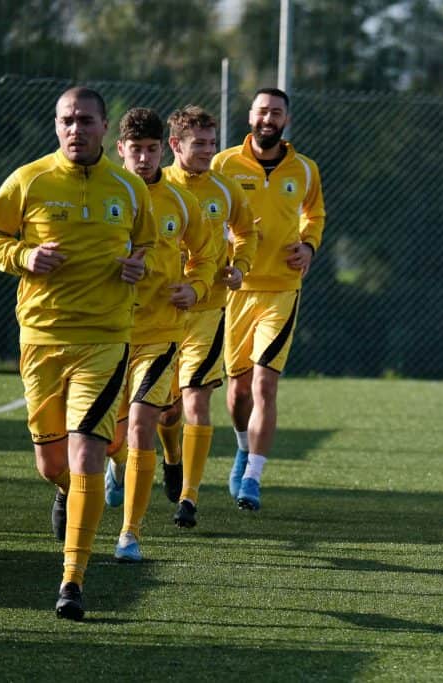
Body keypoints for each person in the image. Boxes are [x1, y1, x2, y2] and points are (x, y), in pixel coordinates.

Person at [0, 87, 156, 619]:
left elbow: (144, 243)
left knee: (86, 455)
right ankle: (68, 489)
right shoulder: (29, 179)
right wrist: (24, 254)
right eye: (66, 121)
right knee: (53, 463)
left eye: (86, 121)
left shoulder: (128, 187)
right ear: (57, 126)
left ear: (105, 128)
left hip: (104, 338)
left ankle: (72, 579)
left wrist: (136, 265)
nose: (76, 130)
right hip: (42, 339)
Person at [106, 107, 216, 561]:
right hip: (107, 332)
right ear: (120, 151)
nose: (145, 159)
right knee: (110, 440)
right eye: (137, 150)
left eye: (153, 150)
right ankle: (111, 468)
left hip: (161, 333)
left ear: (162, 150)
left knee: (142, 424)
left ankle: (129, 533)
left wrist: (196, 286)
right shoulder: (104, 196)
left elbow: (207, 255)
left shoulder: (179, 200)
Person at [212, 88, 326, 511]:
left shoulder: (305, 169)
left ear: (286, 121)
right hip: (235, 289)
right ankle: (243, 447)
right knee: (237, 392)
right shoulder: (222, 164)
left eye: (276, 112)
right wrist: (224, 236)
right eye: (262, 111)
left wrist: (309, 246)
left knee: (264, 383)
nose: (268, 118)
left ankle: (253, 478)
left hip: (281, 289)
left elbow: (314, 215)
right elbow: (206, 208)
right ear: (249, 117)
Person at [162, 104, 259, 526]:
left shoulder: (224, 189)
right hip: (157, 314)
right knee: (165, 412)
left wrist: (241, 266)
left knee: (197, 402)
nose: (207, 151)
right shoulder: (155, 186)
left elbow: (247, 232)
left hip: (208, 311)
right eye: (199, 143)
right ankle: (170, 456)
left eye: (212, 143)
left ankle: (189, 498)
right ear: (175, 145)